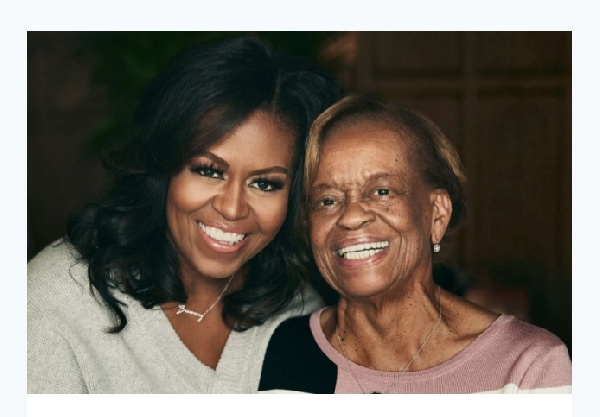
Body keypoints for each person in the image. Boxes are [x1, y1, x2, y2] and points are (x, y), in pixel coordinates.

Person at [27, 36, 343, 393]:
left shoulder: (301, 313)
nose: (232, 207)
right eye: (209, 170)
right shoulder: (55, 301)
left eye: (266, 184)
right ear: (164, 168)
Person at [258, 94, 572, 394]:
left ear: (436, 214)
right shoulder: (290, 347)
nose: (351, 217)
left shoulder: (527, 367)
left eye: (382, 192)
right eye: (327, 200)